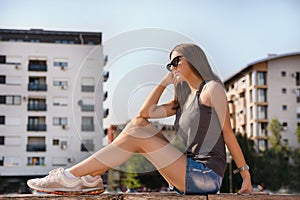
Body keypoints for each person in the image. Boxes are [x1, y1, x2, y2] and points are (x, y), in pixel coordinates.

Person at [27, 43, 253, 195]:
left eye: (176, 62)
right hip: (187, 172)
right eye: (169, 64)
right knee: (138, 126)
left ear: (193, 60)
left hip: (206, 176)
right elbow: (143, 115)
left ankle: (71, 176)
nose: (172, 67)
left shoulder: (212, 89)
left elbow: (228, 135)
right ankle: (87, 178)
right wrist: (165, 82)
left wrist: (246, 177)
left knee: (138, 131)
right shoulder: (181, 102)